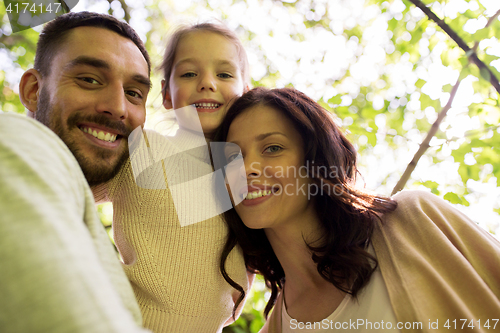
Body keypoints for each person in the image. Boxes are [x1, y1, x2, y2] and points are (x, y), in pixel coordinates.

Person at [214, 87, 500, 332]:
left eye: (273, 148)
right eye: (232, 157)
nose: (247, 168)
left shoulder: (415, 219)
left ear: (316, 162)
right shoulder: (277, 326)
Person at [92, 22, 252, 332]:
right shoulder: (140, 148)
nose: (207, 83)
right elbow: (65, 180)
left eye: (224, 74)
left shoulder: (246, 170)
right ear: (166, 94)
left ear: (246, 92)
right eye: (189, 74)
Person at [0, 12, 152, 333]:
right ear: (32, 91)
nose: (118, 107)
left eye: (134, 93)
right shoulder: (14, 144)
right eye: (89, 79)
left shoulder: (70, 203)